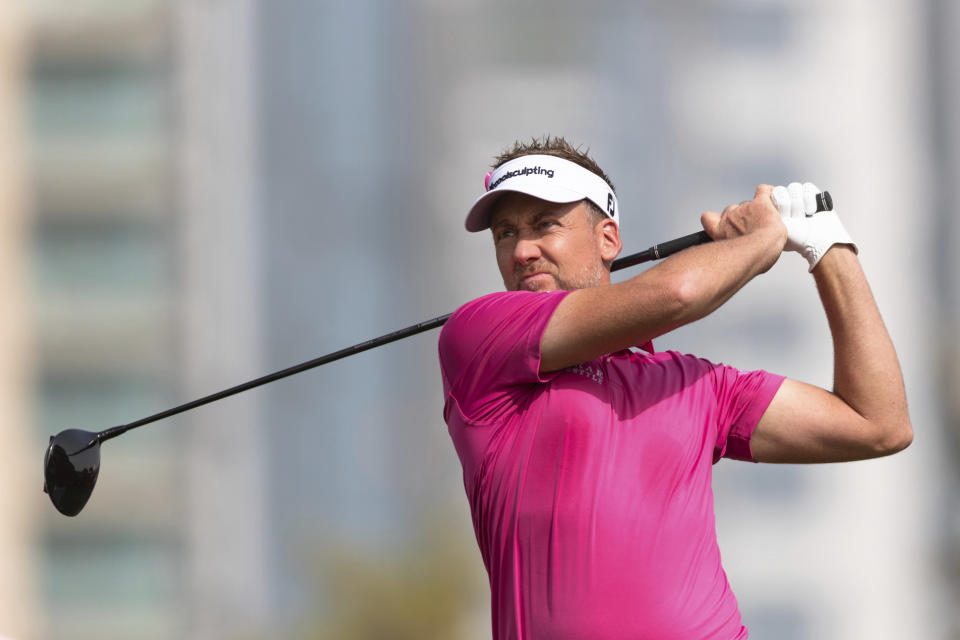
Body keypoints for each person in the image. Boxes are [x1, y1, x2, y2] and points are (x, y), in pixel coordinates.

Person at [436, 136, 913, 640]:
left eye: (544, 225)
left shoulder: (696, 384)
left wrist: (827, 246)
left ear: (608, 239)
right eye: (505, 234)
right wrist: (762, 239)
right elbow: (679, 292)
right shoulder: (478, 338)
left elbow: (878, 424)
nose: (522, 250)